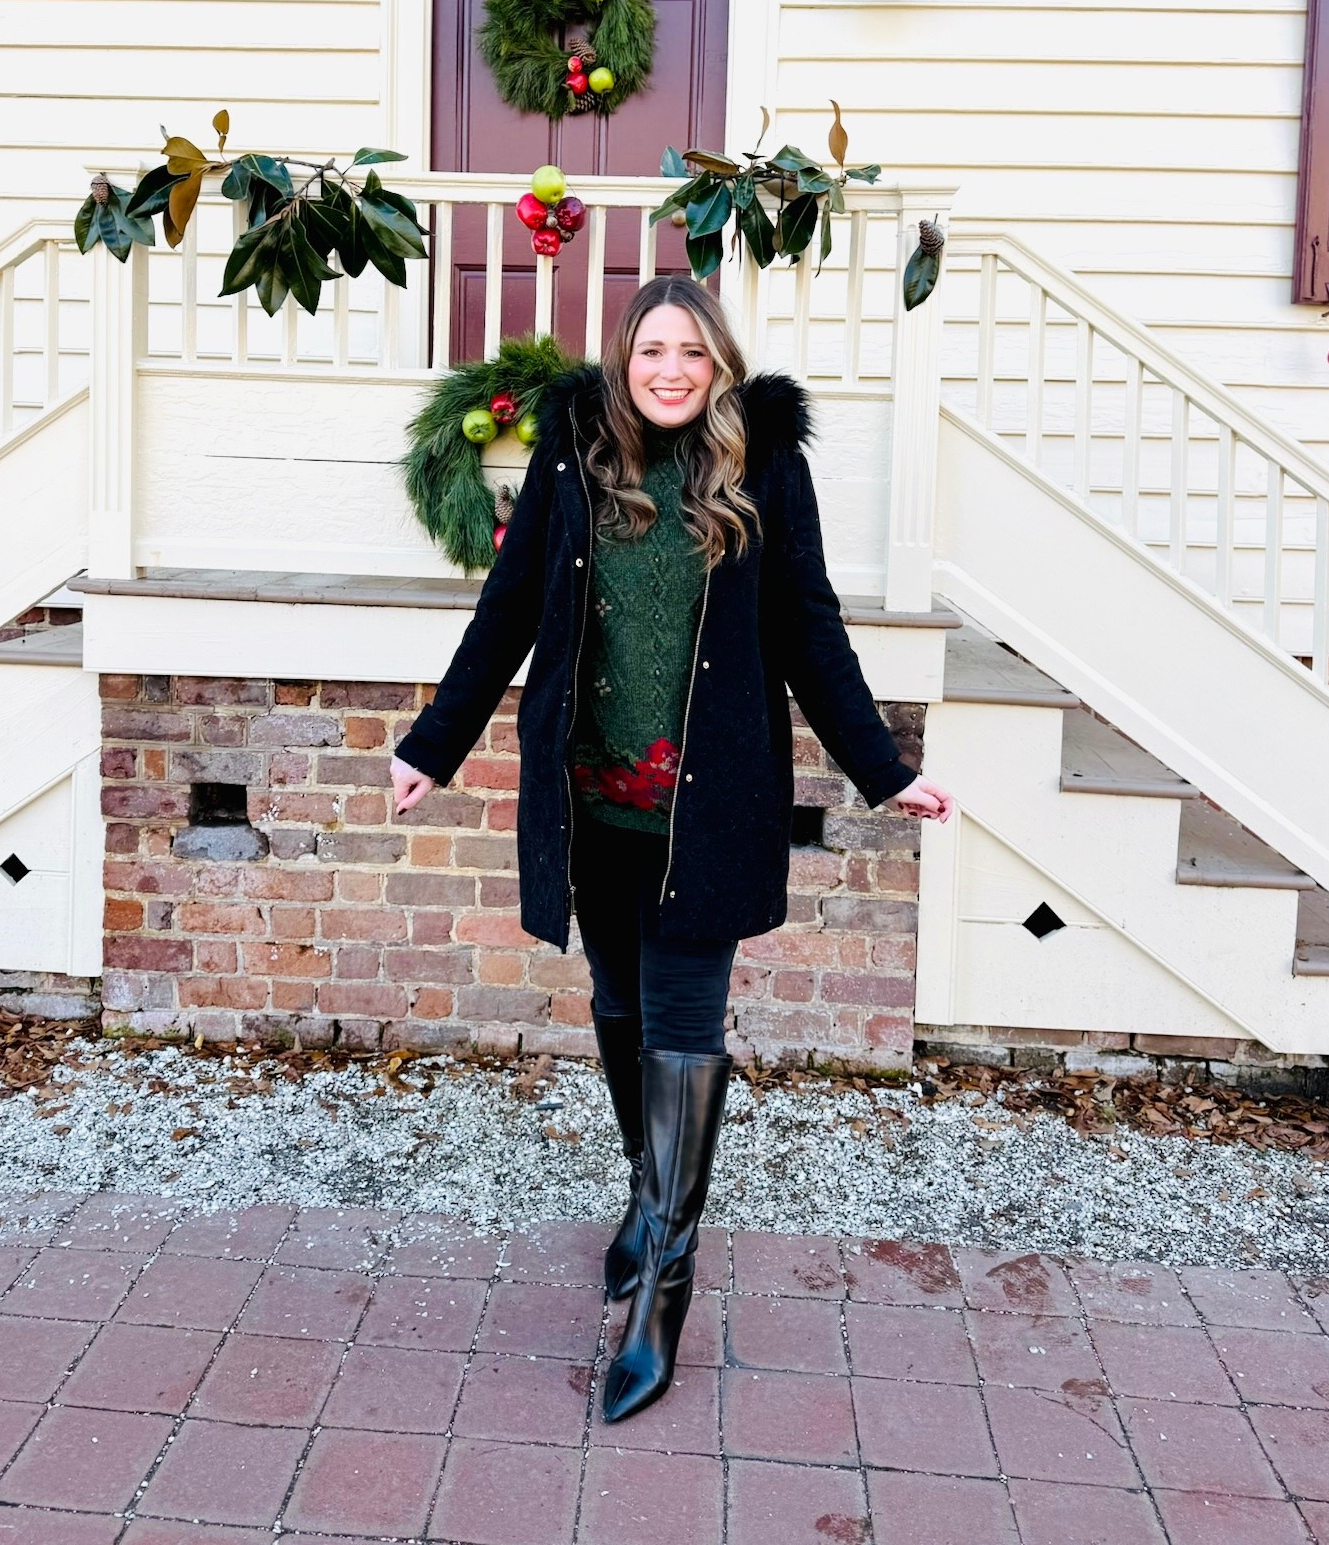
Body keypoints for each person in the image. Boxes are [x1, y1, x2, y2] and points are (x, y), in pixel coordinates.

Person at [391, 276, 953, 1422]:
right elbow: (508, 610)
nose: (672, 369)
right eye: (653, 348)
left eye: (693, 352)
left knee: (685, 1018)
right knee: (616, 1001)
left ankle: (664, 1285)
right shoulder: (571, 457)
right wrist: (431, 744)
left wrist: (885, 767)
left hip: (709, 802)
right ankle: (650, 1198)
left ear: (719, 364)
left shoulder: (761, 468)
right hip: (593, 796)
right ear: (624, 355)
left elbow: (811, 627)